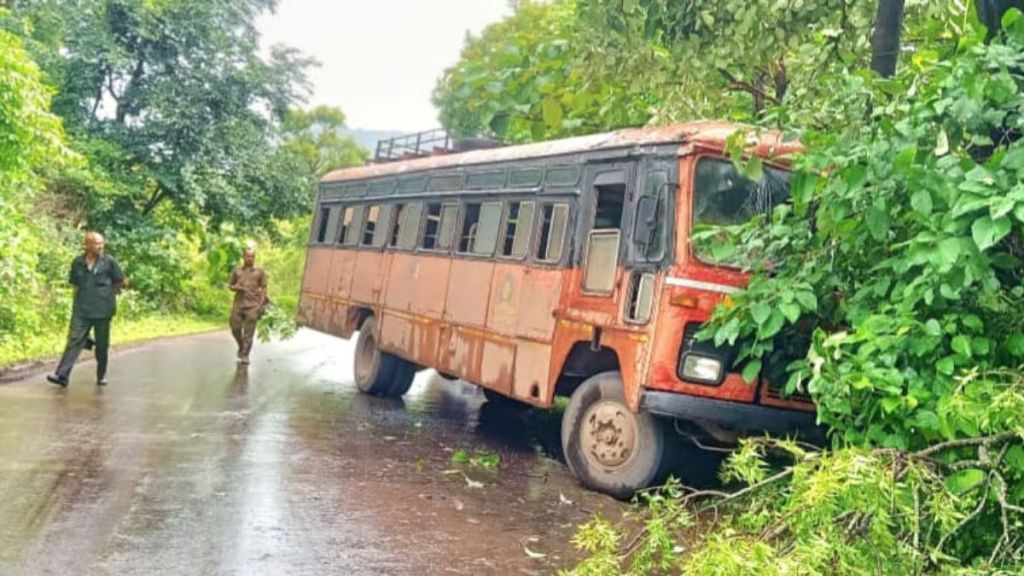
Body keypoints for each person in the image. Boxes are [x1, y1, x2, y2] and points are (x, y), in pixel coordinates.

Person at [47, 232, 126, 388]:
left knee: (102, 346)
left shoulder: (109, 262)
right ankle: (62, 375)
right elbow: (75, 285)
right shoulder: (77, 262)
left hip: (103, 311)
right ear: (87, 244)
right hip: (82, 309)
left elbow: (122, 281)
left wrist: (109, 292)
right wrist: (76, 303)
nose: (101, 246)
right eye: (97, 243)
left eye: (102, 243)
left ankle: (101, 375)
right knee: (74, 340)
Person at [228, 247, 267, 364]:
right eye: (248, 256)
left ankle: (245, 355)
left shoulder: (260, 271)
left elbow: (264, 288)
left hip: (253, 305)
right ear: (243, 257)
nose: (250, 259)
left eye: (252, 256)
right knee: (235, 328)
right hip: (238, 304)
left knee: (248, 332)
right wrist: (236, 287)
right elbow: (230, 285)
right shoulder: (237, 271)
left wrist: (261, 304)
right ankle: (241, 346)